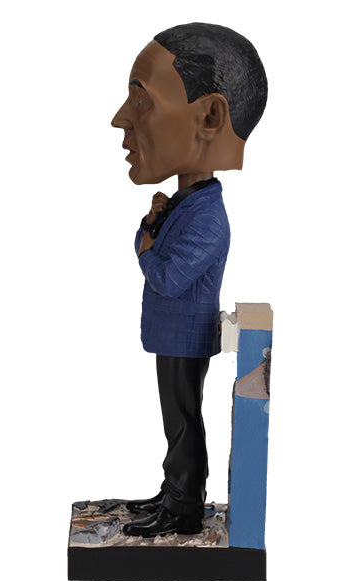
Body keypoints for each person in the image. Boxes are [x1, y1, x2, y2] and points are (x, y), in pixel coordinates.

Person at [111, 22, 267, 537]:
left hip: (185, 335)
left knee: (183, 421)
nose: (120, 118)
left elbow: (168, 277)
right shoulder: (189, 204)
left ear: (209, 117)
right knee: (176, 421)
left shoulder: (207, 217)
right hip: (174, 335)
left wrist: (145, 246)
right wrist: (153, 224)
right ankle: (175, 491)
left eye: (141, 100)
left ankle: (182, 507)